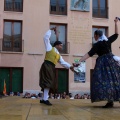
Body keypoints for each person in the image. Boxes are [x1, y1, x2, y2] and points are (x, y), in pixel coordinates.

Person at [78, 17, 120, 108]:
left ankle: (110, 101)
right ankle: (112, 100)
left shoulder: (97, 45)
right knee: (115, 80)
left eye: (94, 35)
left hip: (103, 64)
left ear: (97, 35)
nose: (94, 37)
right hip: (111, 61)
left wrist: (79, 61)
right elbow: (117, 34)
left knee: (102, 80)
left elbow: (89, 54)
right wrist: (116, 23)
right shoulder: (107, 41)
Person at [39, 27, 74, 105]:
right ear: (57, 45)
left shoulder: (58, 55)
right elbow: (45, 38)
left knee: (48, 82)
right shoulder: (49, 48)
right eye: (61, 45)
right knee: (48, 82)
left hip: (51, 67)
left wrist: (70, 67)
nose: (62, 47)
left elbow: (63, 62)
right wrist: (50, 30)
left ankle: (43, 99)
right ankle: (45, 99)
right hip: (47, 65)